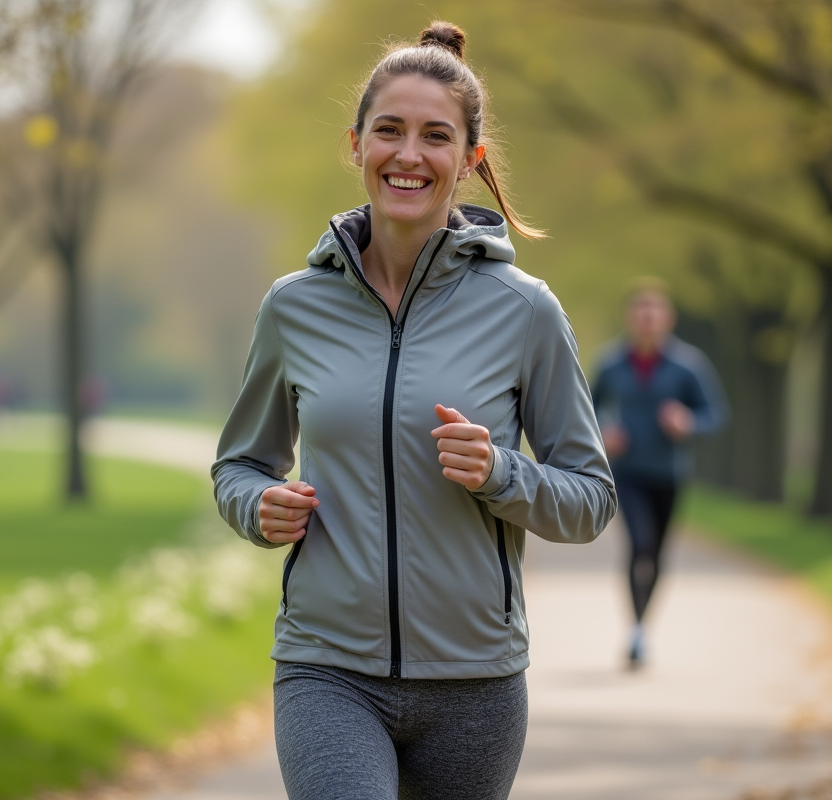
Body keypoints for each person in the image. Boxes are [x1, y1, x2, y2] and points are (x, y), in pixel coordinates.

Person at [212, 22, 617, 800]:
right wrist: (255, 504)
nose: (408, 154)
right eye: (389, 130)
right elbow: (239, 463)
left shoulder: (524, 311)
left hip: (475, 686)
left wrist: (501, 473)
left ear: (469, 160)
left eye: (436, 136)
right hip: (327, 671)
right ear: (355, 144)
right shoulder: (295, 308)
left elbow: (590, 500)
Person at [590, 278, 728, 669]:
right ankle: (635, 634)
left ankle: (641, 626)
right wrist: (604, 430)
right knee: (640, 545)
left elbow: (715, 416)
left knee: (659, 554)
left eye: (655, 311)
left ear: (668, 318)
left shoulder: (689, 365)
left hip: (669, 473)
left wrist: (688, 422)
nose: (647, 318)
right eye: (640, 310)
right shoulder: (611, 363)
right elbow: (586, 407)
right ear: (630, 317)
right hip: (627, 472)